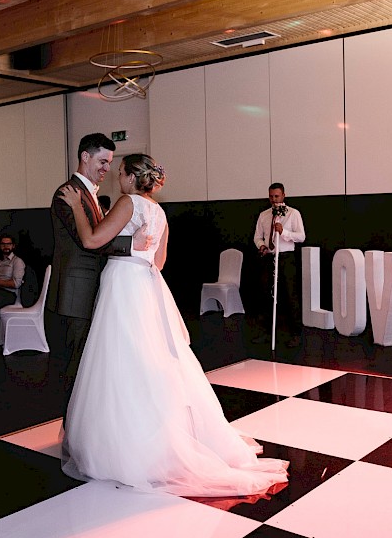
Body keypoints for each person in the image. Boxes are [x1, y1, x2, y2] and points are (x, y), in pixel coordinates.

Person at [57, 154, 289, 496]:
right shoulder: (158, 211)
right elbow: (160, 261)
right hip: (147, 285)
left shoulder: (128, 202)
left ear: (133, 178)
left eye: (120, 172)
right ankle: (160, 434)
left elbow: (92, 240)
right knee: (152, 359)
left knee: (121, 360)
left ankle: (125, 444)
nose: (117, 177)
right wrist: (135, 252)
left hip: (123, 286)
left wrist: (77, 207)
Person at [46, 133, 131, 419]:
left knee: (85, 366)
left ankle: (81, 428)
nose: (107, 167)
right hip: (75, 293)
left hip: (88, 291)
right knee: (74, 366)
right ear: (85, 157)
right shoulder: (67, 193)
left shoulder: (87, 192)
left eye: (110, 162)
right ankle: (72, 429)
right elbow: (89, 240)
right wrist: (136, 246)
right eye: (102, 161)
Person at [252, 182, 305, 348]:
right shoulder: (264, 215)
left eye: (277, 196)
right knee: (265, 296)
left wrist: (284, 232)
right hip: (269, 257)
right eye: (271, 196)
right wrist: (261, 245)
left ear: (283, 195)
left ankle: (295, 334)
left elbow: (301, 236)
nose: (274, 200)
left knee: (290, 296)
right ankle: (266, 333)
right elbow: (257, 236)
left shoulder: (293, 214)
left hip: (286, 257)